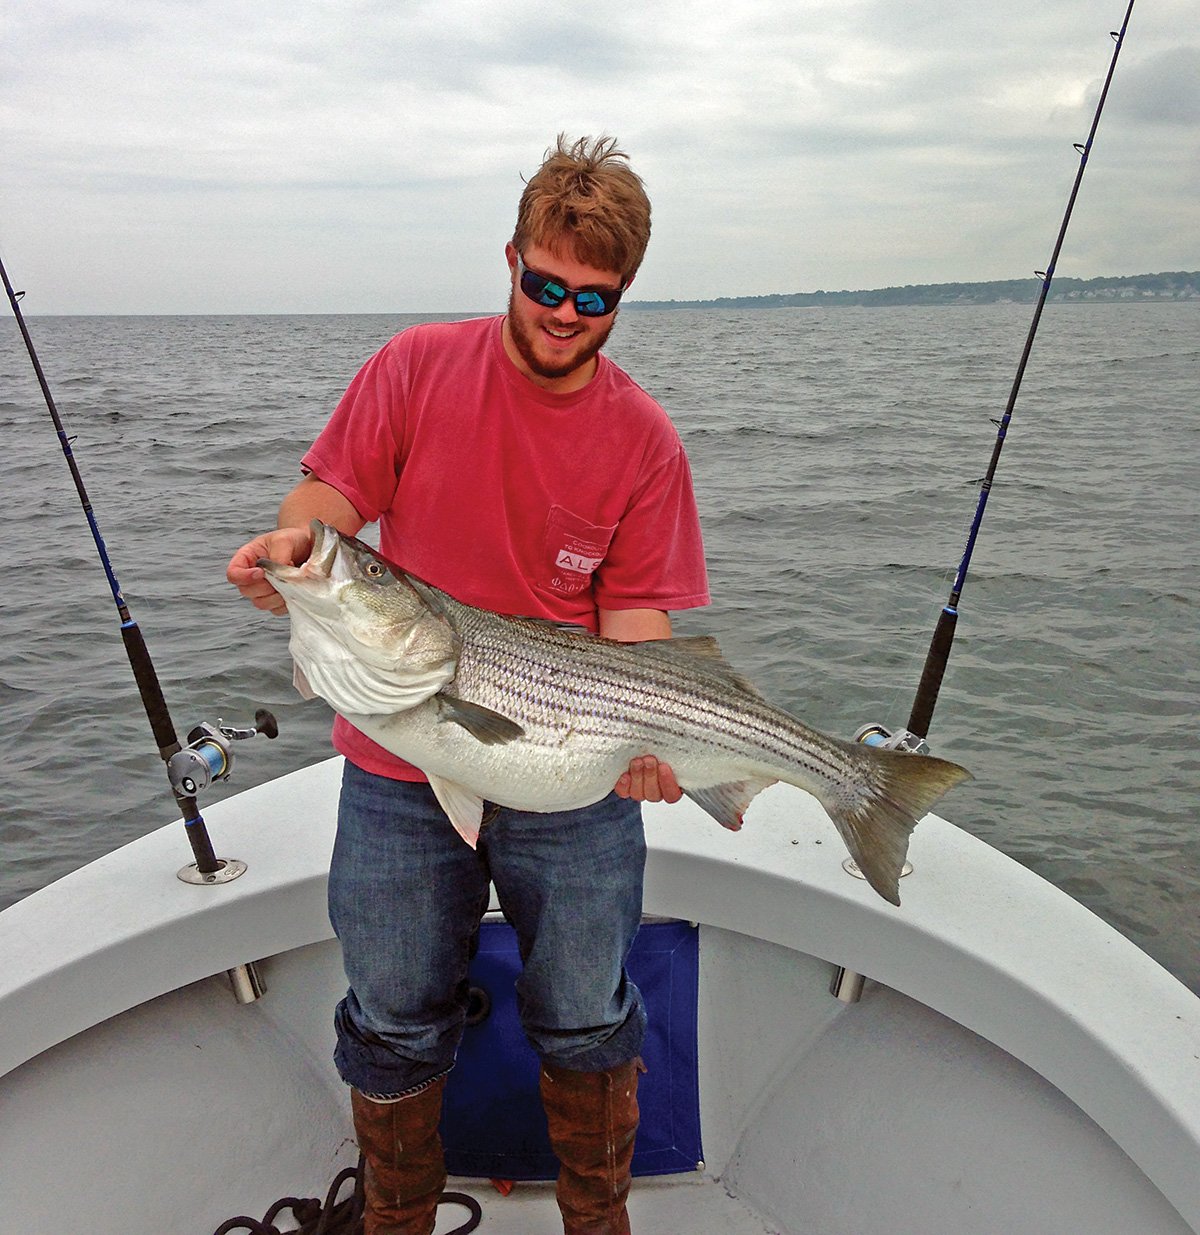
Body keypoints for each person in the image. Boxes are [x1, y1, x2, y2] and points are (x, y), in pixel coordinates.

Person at [227, 134, 709, 1235]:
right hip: (401, 769)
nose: (564, 311)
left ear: (621, 297)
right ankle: (395, 1219)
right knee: (393, 1019)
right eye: (547, 283)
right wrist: (296, 553)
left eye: (596, 297)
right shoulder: (413, 368)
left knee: (588, 1017)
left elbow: (638, 627)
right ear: (511, 259)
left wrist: (649, 740)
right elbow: (328, 505)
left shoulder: (643, 440)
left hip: (572, 771)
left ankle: (598, 1220)